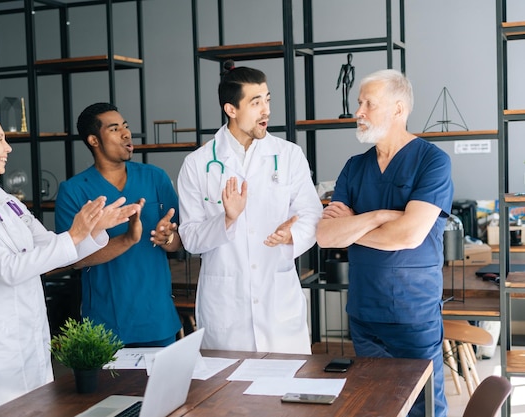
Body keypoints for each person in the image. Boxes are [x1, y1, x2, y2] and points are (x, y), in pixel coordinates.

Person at [0, 110, 138, 416]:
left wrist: (95, 229)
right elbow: (9, 269)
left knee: (41, 409)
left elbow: (49, 248)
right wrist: (75, 234)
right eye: (0, 139)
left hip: (30, 329)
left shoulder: (8, 202)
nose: (8, 147)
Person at [315, 69, 452, 417]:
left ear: (398, 109)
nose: (358, 112)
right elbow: (326, 235)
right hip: (364, 316)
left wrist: (353, 226)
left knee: (425, 408)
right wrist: (379, 216)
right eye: (359, 103)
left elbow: (409, 235)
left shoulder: (432, 161)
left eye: (368, 104)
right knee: (374, 406)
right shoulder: (354, 167)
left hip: (413, 316)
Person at [177, 60, 321, 354]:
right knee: (228, 396)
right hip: (226, 308)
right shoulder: (197, 164)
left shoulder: (288, 155)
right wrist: (227, 220)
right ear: (231, 109)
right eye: (256, 103)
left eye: (267, 100)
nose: (266, 110)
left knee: (287, 391)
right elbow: (190, 238)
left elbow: (312, 214)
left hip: (277, 302)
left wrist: (291, 235)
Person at [55, 102, 182, 348]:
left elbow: (178, 243)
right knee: (111, 389)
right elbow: (72, 259)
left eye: (126, 126)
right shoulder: (74, 191)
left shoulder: (155, 177)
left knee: (165, 387)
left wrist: (167, 238)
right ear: (93, 140)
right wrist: (127, 239)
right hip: (105, 325)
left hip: (158, 319)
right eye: (114, 129)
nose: (126, 133)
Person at [336, 53, 355, 118]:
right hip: (344, 81)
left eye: (350, 58)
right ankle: (345, 112)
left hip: (348, 82)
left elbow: (353, 78)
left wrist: (351, 85)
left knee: (346, 98)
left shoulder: (352, 67)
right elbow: (340, 76)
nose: (349, 59)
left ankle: (348, 112)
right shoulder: (344, 66)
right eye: (348, 58)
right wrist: (338, 84)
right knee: (344, 98)